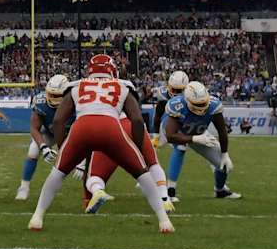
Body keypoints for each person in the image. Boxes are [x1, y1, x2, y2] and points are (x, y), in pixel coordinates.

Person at [27, 53, 173, 234]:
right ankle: (164, 220)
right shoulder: (123, 86)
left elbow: (58, 121)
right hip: (110, 128)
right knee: (142, 174)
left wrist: (63, 145)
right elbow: (136, 119)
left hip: (82, 128)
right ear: (112, 70)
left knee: (57, 174)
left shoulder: (76, 85)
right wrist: (135, 144)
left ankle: (37, 216)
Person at [163, 81, 240, 201]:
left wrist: (225, 154)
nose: (201, 107)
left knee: (223, 165)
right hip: (179, 132)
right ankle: (170, 191)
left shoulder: (213, 105)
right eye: (197, 104)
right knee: (180, 148)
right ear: (187, 100)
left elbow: (222, 131)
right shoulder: (177, 105)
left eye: (203, 103)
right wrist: (194, 139)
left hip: (200, 133)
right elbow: (170, 135)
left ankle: (220, 190)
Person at [15, 74, 68, 200]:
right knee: (33, 150)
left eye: (58, 95)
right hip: (50, 133)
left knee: (87, 156)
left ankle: (93, 187)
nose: (54, 98)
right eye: (52, 94)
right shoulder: (41, 102)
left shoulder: (75, 102)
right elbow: (34, 128)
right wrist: (43, 147)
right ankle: (24, 187)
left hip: (70, 134)